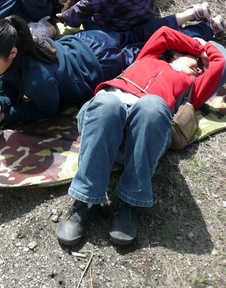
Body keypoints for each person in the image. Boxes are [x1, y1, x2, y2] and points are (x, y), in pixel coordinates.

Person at [55, 25, 226, 248]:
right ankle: (85, 201)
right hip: (101, 125)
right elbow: (164, 33)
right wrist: (199, 45)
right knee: (108, 103)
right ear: (175, 53)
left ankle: (128, 203)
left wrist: (207, 52)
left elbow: (221, 62)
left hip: (140, 140)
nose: (199, 70)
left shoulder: (193, 87)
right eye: (196, 63)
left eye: (202, 68)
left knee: (152, 104)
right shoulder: (148, 57)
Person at [0, 7, 225, 134]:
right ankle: (202, 23)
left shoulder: (37, 79)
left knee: (152, 50)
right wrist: (0, 103)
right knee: (141, 34)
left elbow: (46, 109)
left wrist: (8, 115)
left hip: (102, 65)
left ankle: (204, 33)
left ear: (11, 53)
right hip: (90, 40)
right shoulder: (26, 43)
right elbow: (12, 83)